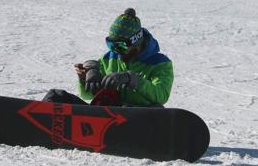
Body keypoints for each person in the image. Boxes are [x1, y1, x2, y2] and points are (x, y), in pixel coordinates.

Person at [43, 8, 173, 107]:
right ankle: (38, 126)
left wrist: (132, 79)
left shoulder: (160, 63)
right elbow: (87, 95)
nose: (115, 50)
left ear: (135, 41)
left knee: (158, 109)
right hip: (106, 117)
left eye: (120, 45)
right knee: (55, 96)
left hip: (136, 120)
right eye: (111, 44)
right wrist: (85, 79)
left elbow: (161, 95)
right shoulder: (109, 58)